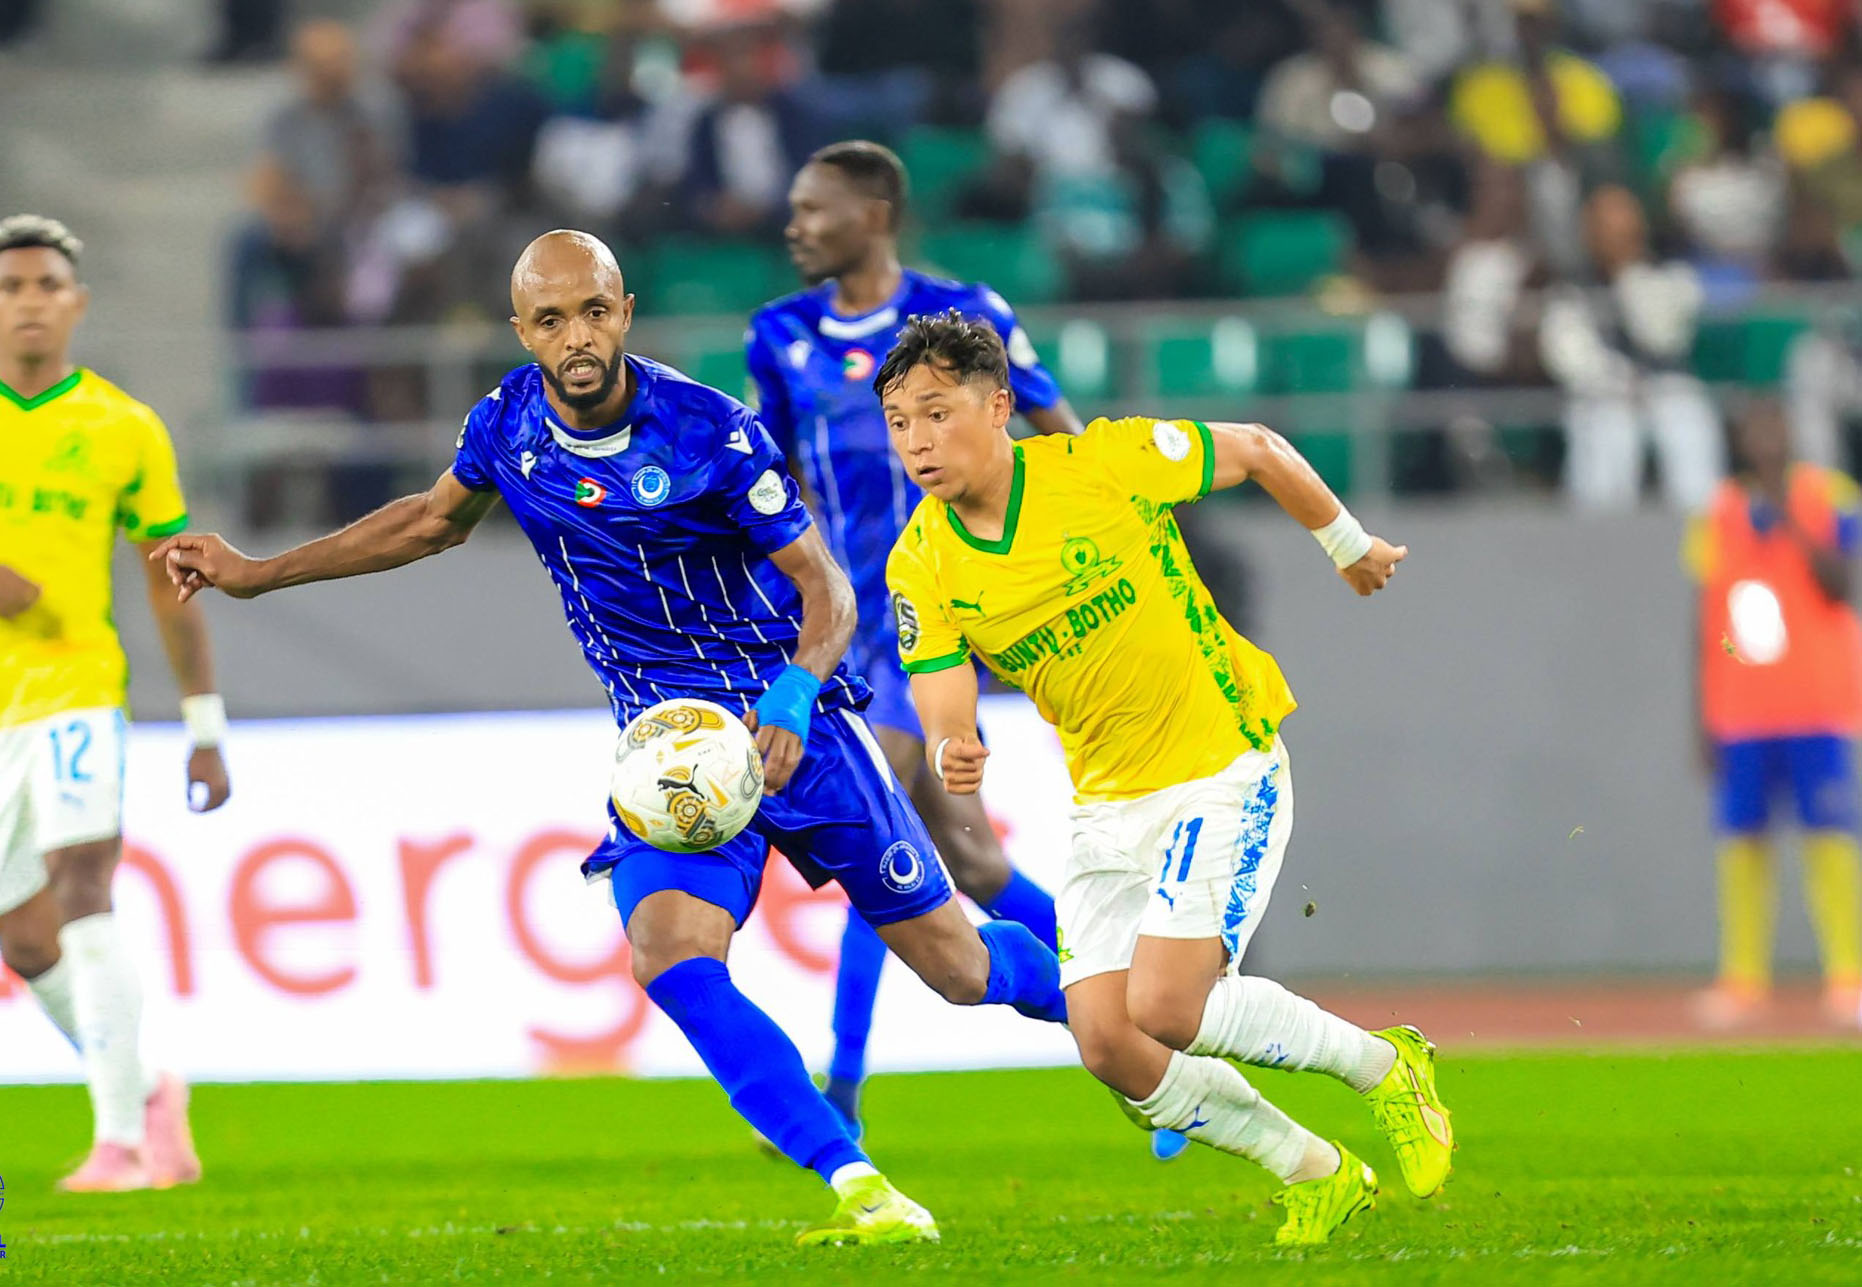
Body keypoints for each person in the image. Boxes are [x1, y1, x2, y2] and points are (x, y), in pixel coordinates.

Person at [151, 230, 1065, 1247]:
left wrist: (796, 692)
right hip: (672, 752)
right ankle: (860, 1187)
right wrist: (256, 572)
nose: (575, 336)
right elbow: (427, 522)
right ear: (522, 330)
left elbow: (829, 590)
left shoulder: (708, 431)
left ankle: (1111, 1009)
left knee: (960, 971)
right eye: (550, 319)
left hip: (792, 729)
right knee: (668, 956)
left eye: (593, 311)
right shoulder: (506, 426)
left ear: (624, 312)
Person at [880, 312, 1455, 1246]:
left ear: (998, 406)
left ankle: (1383, 1066)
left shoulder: (1103, 463)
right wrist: (953, 742)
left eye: (937, 414)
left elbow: (1258, 447)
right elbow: (939, 678)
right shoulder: (922, 558)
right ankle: (1315, 1169)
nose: (918, 442)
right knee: (1108, 1040)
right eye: (900, 422)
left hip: (1221, 762)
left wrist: (1346, 543)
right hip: (1107, 801)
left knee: (1164, 1007)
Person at [746, 137, 1155, 1147]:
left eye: (813, 207)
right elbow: (769, 482)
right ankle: (1141, 1028)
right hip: (839, 623)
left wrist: (1107, 548)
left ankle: (841, 1088)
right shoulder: (779, 334)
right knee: (972, 866)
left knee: (868, 820)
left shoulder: (964, 317)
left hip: (931, 608)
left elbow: (1061, 436)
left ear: (875, 214)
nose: (794, 226)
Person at [0, 215, 229, 1191]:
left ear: (78, 303)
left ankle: (120, 1144)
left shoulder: (123, 427)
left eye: (47, 285)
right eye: (11, 287)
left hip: (78, 688)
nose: (30, 302)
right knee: (22, 935)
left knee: (84, 889)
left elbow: (170, 582)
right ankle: (148, 1090)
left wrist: (204, 722)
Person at [1686, 399, 1862, 1028]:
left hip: (1816, 703)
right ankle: (1742, 980)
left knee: (1830, 840)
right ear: (1740, 441)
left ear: (1790, 433)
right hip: (1742, 711)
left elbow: (1840, 583)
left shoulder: (1829, 495)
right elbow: (1704, 619)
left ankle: (1848, 977)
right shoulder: (1718, 510)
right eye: (1754, 431)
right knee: (1742, 846)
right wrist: (1703, 718)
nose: (1765, 440)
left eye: (1774, 428)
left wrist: (1788, 512)